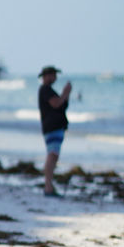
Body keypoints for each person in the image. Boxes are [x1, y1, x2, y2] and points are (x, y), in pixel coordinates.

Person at [38, 65, 71, 197]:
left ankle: (49, 186)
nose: (55, 77)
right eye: (52, 75)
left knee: (53, 156)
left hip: (55, 127)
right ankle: (48, 187)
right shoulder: (45, 90)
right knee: (52, 155)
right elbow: (56, 103)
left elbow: (61, 105)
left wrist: (65, 95)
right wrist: (65, 93)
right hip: (52, 127)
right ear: (46, 76)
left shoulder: (49, 90)